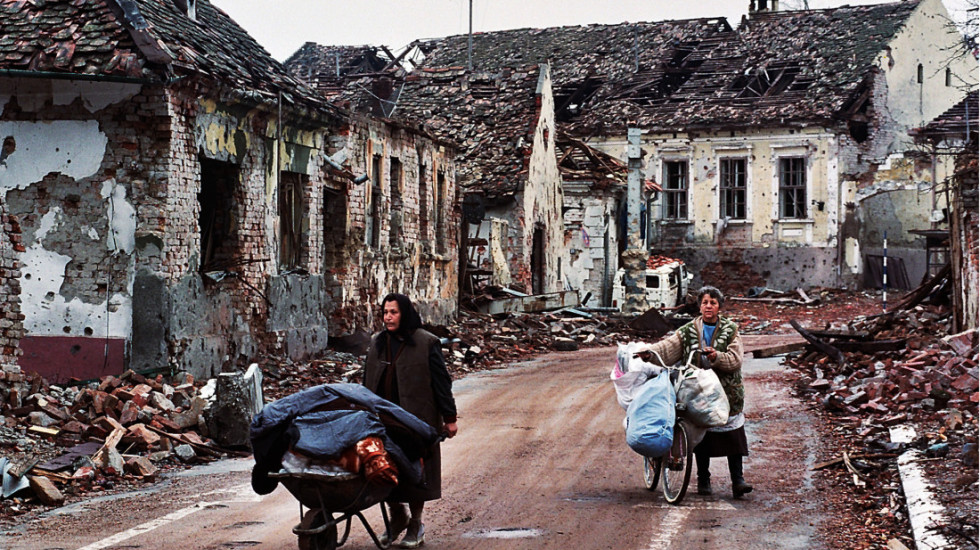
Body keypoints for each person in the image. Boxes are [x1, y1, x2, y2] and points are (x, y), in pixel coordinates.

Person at [637, 285, 753, 499]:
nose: (709, 306)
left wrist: (716, 357)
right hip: (699, 391)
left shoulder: (731, 330)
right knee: (703, 437)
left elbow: (736, 360)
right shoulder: (689, 330)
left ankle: (738, 480)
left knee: (733, 437)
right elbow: (668, 348)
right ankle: (703, 480)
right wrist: (650, 354)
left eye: (713, 302)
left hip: (726, 390)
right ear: (699, 306)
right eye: (705, 302)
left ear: (719, 307)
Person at [363, 293, 458, 548]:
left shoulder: (426, 343)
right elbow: (366, 381)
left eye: (393, 312)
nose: (388, 317)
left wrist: (449, 418)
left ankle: (416, 523)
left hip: (416, 420)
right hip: (382, 420)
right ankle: (397, 517)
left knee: (417, 473)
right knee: (383, 469)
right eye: (385, 312)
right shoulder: (377, 342)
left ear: (404, 313)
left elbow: (441, 383)